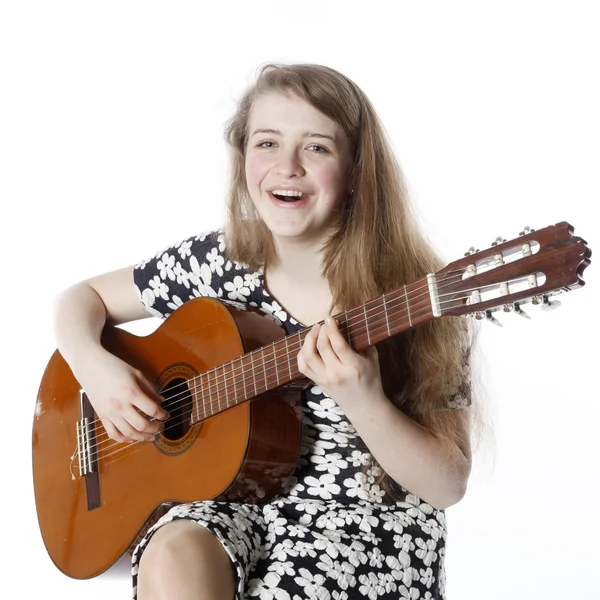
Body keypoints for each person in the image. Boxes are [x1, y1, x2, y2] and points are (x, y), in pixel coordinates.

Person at [53, 63, 476, 600]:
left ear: (357, 167)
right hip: (228, 500)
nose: (287, 167)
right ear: (242, 157)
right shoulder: (218, 262)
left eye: (317, 147)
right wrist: (96, 368)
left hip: (366, 530)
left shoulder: (417, 298)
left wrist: (363, 400)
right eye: (267, 143)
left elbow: (447, 484)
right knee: (173, 554)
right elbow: (79, 300)